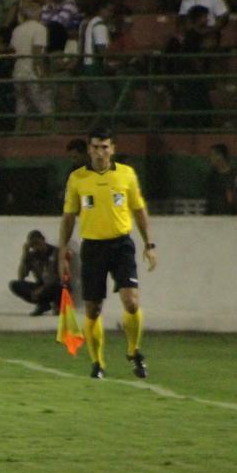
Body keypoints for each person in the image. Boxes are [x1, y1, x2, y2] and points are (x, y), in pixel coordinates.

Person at [57, 127, 158, 380]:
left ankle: (134, 350)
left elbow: (139, 211)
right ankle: (97, 363)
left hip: (121, 244)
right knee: (93, 309)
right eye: (95, 147)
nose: (100, 152)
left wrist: (149, 244)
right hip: (92, 247)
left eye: (105, 147)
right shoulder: (77, 179)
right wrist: (62, 252)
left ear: (112, 148)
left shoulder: (126, 175)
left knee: (131, 301)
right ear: (89, 150)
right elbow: (69, 217)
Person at [9, 230, 62, 316]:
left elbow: (56, 278)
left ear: (43, 239)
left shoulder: (56, 252)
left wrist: (42, 289)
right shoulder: (32, 256)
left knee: (56, 287)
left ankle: (57, 304)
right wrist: (24, 256)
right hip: (41, 286)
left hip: (55, 286)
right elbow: (21, 277)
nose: (36, 247)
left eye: (37, 243)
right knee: (14, 285)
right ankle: (43, 304)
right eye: (32, 245)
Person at [204, 143, 237, 215]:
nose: (210, 158)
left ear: (220, 156)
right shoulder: (211, 177)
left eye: (212, 155)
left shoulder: (235, 175)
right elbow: (210, 201)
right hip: (214, 217)